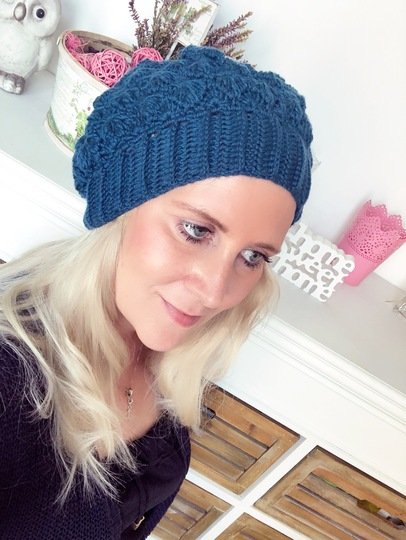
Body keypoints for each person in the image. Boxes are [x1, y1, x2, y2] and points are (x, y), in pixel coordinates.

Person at [0, 46, 313, 538]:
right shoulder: (9, 373)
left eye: (253, 256)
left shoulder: (171, 355)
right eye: (196, 230)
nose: (215, 291)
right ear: (119, 210)